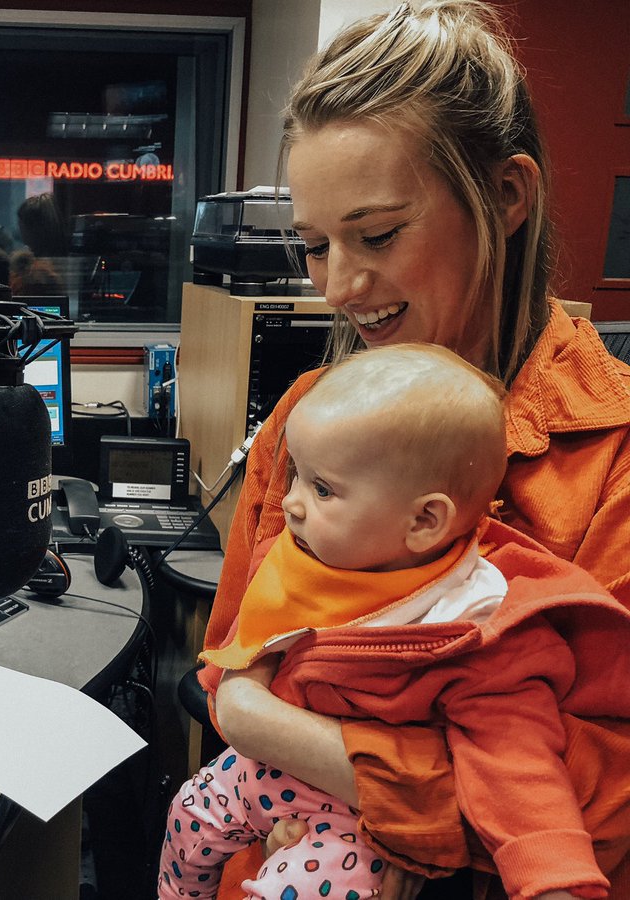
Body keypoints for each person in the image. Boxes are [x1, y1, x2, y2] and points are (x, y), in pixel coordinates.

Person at [195, 2, 630, 898]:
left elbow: (600, 804)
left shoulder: (614, 459)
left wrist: (294, 742)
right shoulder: (305, 417)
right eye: (315, 246)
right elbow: (232, 655)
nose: (341, 287)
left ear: (506, 196)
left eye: (378, 234)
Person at [160, 344, 630, 900]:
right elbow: (232, 658)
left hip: (357, 827)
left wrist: (553, 879)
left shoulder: (475, 629)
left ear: (425, 520)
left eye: (323, 489)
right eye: (297, 477)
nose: (289, 504)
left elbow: (519, 767)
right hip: (261, 773)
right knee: (186, 816)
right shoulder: (308, 551)